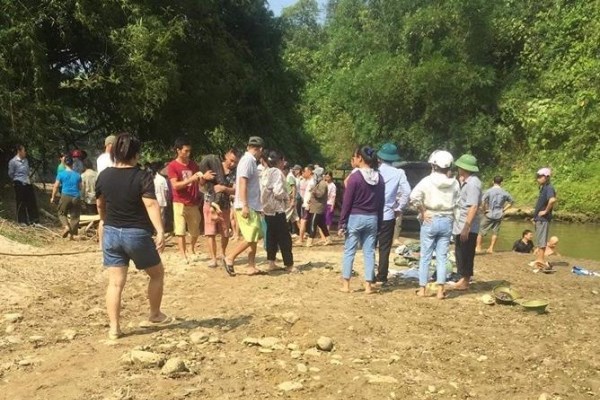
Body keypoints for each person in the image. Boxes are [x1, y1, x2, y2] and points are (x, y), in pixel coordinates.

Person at [95, 133, 169, 340]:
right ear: (136, 154)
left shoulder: (104, 175)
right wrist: (160, 230)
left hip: (111, 232)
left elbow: (100, 204)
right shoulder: (142, 175)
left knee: (115, 283)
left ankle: (114, 327)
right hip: (136, 233)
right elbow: (151, 204)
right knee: (156, 274)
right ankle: (154, 314)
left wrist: (103, 220)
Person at [410, 150, 459, 299]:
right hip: (447, 220)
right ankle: (440, 291)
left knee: (425, 255)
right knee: (442, 257)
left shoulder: (427, 181)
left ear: (434, 165)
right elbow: (458, 203)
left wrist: (422, 211)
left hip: (430, 218)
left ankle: (423, 289)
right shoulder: (455, 183)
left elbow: (414, 197)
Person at [338, 146, 385, 294]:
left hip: (355, 217)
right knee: (369, 252)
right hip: (372, 218)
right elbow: (381, 203)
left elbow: (347, 202)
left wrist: (342, 222)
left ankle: (346, 285)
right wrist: (379, 222)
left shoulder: (355, 177)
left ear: (359, 158)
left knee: (349, 251)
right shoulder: (379, 178)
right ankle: (368, 286)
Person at [167, 138, 215, 264]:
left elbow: (200, 183)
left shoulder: (193, 165)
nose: (188, 153)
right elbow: (175, 185)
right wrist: (191, 179)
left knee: (195, 231)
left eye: (189, 151)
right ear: (178, 150)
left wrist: (204, 178)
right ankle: (183, 254)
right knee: (180, 230)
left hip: (193, 202)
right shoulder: (172, 166)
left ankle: (192, 248)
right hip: (179, 202)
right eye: (185, 151)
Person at [222, 136, 265, 276]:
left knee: (254, 235)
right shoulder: (248, 161)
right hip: (247, 204)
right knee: (251, 236)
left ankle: (251, 266)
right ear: (260, 150)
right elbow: (242, 183)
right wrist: (245, 205)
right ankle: (230, 257)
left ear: (248, 147)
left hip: (252, 204)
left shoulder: (249, 160)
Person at [374, 143, 411, 285]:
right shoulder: (399, 173)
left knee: (370, 245)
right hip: (388, 214)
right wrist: (399, 207)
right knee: (384, 247)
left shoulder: (375, 172)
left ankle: (369, 274)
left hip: (372, 213)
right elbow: (407, 191)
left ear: (380, 158)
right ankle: (382, 276)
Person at [199, 149, 240, 268]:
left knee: (225, 232)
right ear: (226, 156)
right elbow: (201, 185)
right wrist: (204, 178)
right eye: (231, 160)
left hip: (225, 205)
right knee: (209, 232)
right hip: (208, 201)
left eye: (235, 162)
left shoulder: (236, 173)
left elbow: (236, 189)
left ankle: (223, 254)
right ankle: (213, 258)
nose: (232, 164)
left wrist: (224, 189)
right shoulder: (212, 166)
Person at [452, 154, 482, 291]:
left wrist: (467, 227)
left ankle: (466, 280)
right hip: (460, 223)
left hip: (467, 224)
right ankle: (462, 277)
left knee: (466, 252)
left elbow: (473, 206)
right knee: (459, 251)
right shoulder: (466, 181)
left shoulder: (473, 183)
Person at [261, 150, 295, 272]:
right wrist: (287, 197)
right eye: (283, 160)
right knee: (284, 238)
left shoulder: (266, 172)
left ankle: (271, 262)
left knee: (271, 236)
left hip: (267, 210)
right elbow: (278, 192)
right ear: (279, 161)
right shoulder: (277, 173)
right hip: (277, 209)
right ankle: (289, 264)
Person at [475, 176, 514, 254]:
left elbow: (483, 201)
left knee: (481, 231)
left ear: (493, 182)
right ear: (501, 183)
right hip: (499, 214)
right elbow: (511, 202)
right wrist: (504, 209)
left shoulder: (488, 191)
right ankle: (491, 248)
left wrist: (484, 210)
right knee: (495, 232)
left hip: (489, 213)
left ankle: (478, 247)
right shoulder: (504, 192)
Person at [50, 156, 82, 239]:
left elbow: (56, 186)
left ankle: (66, 227)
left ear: (65, 164)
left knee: (61, 212)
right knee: (75, 216)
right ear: (72, 164)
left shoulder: (61, 174)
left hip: (65, 196)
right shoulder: (78, 175)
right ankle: (72, 235)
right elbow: (80, 187)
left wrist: (53, 197)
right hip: (76, 196)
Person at [8, 144, 40, 225]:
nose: (25, 152)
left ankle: (34, 220)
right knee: (21, 202)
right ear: (19, 151)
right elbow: (11, 173)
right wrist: (16, 180)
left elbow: (27, 171)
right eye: (24, 150)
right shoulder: (13, 162)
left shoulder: (26, 160)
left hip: (27, 182)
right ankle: (22, 221)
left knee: (31, 201)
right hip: (18, 182)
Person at [533, 167, 557, 270]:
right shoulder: (543, 188)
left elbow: (552, 200)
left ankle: (541, 260)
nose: (538, 178)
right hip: (539, 219)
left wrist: (546, 211)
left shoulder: (549, 187)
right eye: (537, 177)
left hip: (543, 219)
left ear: (546, 177)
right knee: (539, 239)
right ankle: (539, 259)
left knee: (542, 240)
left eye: (540, 176)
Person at [306, 167, 331, 247]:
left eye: (314, 174)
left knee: (313, 224)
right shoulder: (319, 183)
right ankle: (328, 239)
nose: (313, 176)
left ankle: (309, 241)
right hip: (316, 207)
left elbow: (320, 194)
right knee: (322, 224)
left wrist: (313, 190)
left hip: (318, 208)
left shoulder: (322, 184)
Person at [297, 165, 314, 245]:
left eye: (305, 171)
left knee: (303, 221)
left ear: (309, 172)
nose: (303, 173)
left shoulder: (312, 182)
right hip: (306, 204)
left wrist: (308, 203)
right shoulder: (309, 181)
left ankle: (301, 239)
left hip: (307, 205)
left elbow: (312, 194)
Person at [152, 162, 170, 231]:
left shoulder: (150, 178)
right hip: (161, 200)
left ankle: (154, 230)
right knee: (162, 217)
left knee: (154, 216)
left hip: (153, 200)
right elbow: (165, 191)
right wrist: (166, 199)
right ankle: (161, 230)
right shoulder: (162, 179)